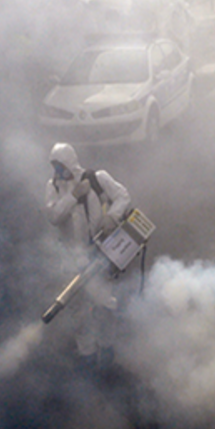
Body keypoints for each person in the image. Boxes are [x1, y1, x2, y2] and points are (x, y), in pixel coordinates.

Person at [44, 142, 132, 372]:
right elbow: (54, 216)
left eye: (60, 165)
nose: (57, 171)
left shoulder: (97, 178)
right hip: (71, 259)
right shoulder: (53, 187)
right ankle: (87, 356)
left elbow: (123, 196)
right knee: (78, 311)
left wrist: (113, 216)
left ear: (70, 162)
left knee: (104, 302)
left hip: (99, 253)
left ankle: (108, 351)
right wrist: (73, 196)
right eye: (54, 166)